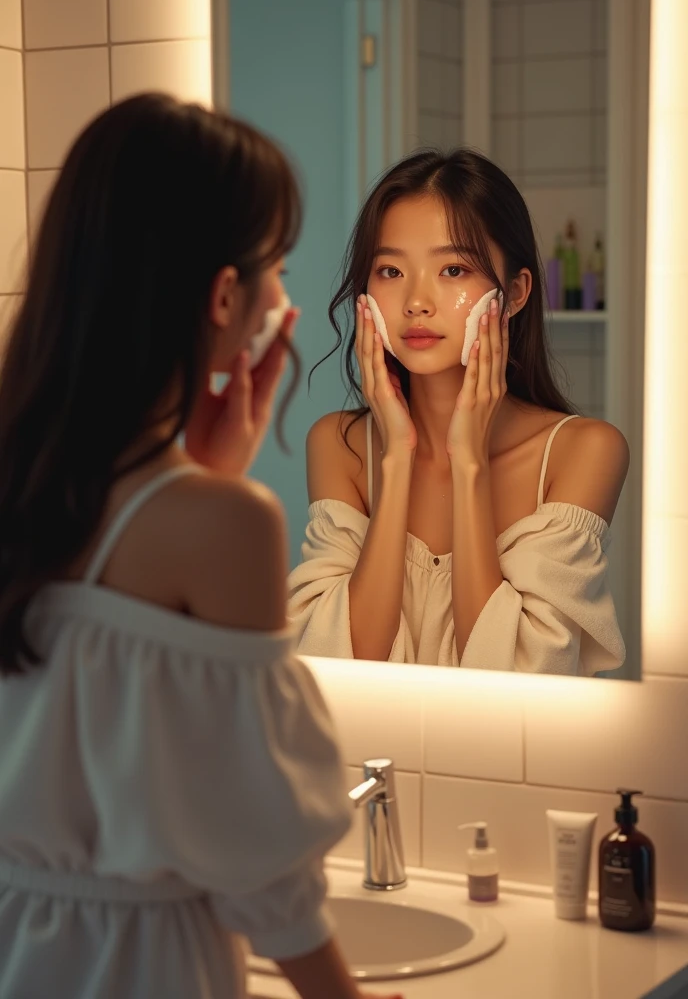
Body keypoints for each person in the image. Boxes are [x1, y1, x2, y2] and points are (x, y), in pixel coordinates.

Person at [0, 93, 402, 999]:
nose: (285, 301)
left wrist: (203, 467)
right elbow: (256, 861)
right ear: (227, 295)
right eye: (280, 269)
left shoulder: (26, 488)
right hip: (137, 970)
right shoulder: (224, 525)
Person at [288, 148, 628, 675]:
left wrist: (469, 462)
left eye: (453, 269)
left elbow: (513, 676)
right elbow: (342, 665)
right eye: (390, 270)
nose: (417, 301)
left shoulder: (583, 451)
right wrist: (395, 459)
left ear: (514, 293)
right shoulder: (339, 445)